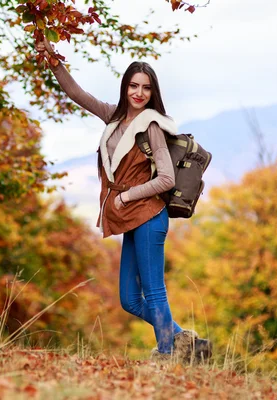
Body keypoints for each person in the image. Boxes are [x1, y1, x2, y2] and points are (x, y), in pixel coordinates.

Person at [35, 38, 211, 363]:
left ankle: (168, 354)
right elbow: (76, 94)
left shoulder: (152, 127)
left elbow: (167, 179)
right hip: (132, 219)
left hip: (149, 217)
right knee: (129, 300)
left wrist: (127, 195)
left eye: (145, 87)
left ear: (152, 91)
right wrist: (53, 59)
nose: (139, 93)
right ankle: (186, 341)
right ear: (125, 87)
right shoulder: (114, 118)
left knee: (154, 292)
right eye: (133, 85)